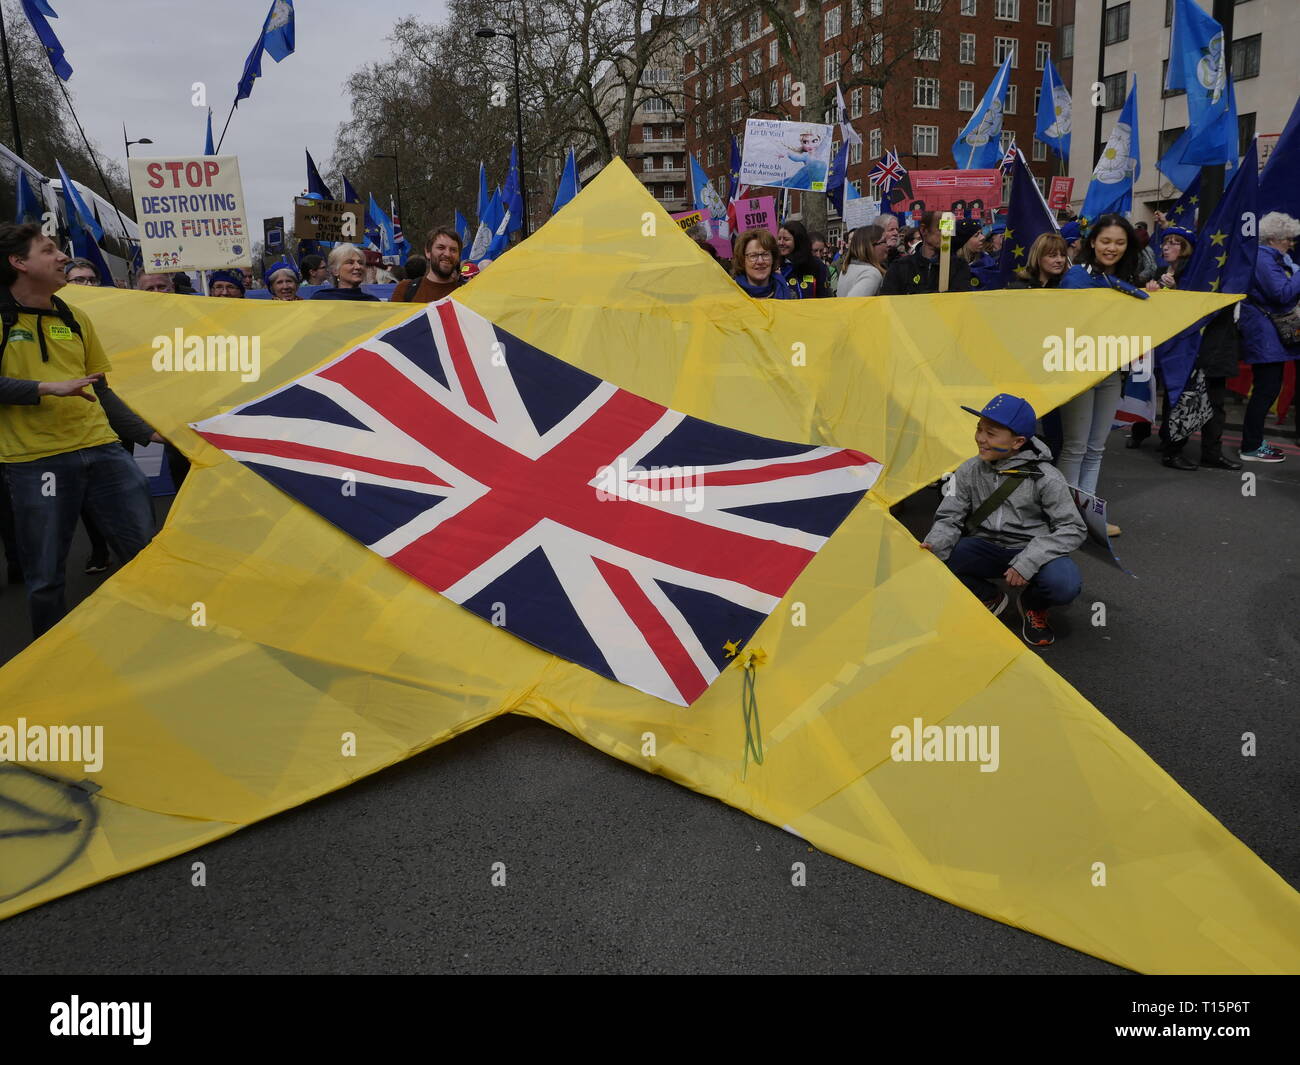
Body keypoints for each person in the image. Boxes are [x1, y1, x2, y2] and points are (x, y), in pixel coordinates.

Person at [0, 223, 159, 637]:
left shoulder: (74, 315)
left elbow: (99, 391)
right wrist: (44, 388)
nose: (62, 257)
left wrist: (151, 432)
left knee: (147, 552)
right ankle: (50, 663)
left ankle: (158, 637)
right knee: (46, 575)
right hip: (37, 463)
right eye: (49, 249)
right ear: (19, 262)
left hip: (103, 449)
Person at [920, 393, 1086, 648]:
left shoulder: (1048, 478)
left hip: (1030, 548)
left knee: (1064, 584)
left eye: (991, 433)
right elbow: (949, 516)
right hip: (984, 546)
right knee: (934, 558)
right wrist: (934, 545)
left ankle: (1033, 603)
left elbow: (1073, 528)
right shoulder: (967, 470)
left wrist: (1028, 561)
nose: (980, 438)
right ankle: (990, 596)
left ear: (1018, 441)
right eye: (979, 429)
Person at [1057, 214, 1147, 534]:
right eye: (1106, 241)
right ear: (1092, 241)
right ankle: (1064, 517)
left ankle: (1087, 516)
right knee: (1076, 446)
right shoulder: (1076, 278)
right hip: (1077, 371)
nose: (1112, 248)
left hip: (1110, 370)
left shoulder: (1128, 282)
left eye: (1120, 242)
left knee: (1096, 447)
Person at [1237, 211, 1300, 462]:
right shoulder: (1264, 259)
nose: (1291, 244)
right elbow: (1281, 294)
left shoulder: (1269, 258)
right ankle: (1251, 446)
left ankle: (1254, 443)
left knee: (1267, 389)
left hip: (1268, 334)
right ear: (1274, 238)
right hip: (1265, 335)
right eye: (1288, 239)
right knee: (1266, 390)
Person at [1128, 225, 1195, 462]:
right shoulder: (1158, 270)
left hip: (1177, 344)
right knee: (1144, 384)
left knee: (1173, 393)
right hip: (1155, 341)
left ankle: (1169, 438)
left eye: (1175, 242)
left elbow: (1193, 307)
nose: (1167, 246)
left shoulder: (1191, 274)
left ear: (1186, 248)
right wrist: (1151, 292)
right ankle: (1139, 432)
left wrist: (1175, 291)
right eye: (1166, 242)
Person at [880, 211, 973, 294]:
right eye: (941, 228)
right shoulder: (900, 267)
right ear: (924, 230)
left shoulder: (959, 266)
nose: (946, 234)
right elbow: (888, 304)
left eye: (949, 229)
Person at [391, 227, 463, 303]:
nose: (447, 254)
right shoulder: (404, 290)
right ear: (428, 252)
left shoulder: (468, 293)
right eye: (441, 248)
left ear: (459, 256)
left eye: (453, 250)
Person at [732, 228, 799, 300]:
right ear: (742, 260)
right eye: (753, 256)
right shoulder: (731, 297)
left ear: (773, 258)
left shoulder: (790, 296)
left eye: (765, 254)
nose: (760, 261)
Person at [775, 220, 831, 298]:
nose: (781, 243)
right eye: (779, 238)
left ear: (798, 241)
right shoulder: (775, 265)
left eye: (786, 239)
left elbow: (824, 296)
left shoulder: (816, 265)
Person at [311, 244, 380, 301]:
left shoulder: (373, 302)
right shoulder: (321, 299)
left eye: (360, 263)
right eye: (350, 263)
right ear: (335, 271)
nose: (358, 266)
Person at [835, 225, 887, 297]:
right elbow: (851, 305)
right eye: (884, 241)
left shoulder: (848, 267)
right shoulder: (871, 273)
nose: (887, 245)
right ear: (870, 247)